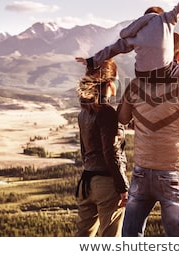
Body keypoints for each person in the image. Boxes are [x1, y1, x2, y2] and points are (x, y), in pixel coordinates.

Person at [117, 36, 179, 237]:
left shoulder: (135, 85)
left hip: (142, 171)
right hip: (174, 173)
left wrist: (145, 123)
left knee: (131, 235)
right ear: (178, 56)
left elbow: (122, 117)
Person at [75, 58, 129, 237]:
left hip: (86, 183)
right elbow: (111, 151)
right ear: (109, 82)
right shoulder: (106, 112)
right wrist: (122, 187)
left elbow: (84, 151)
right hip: (106, 184)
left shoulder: (84, 113)